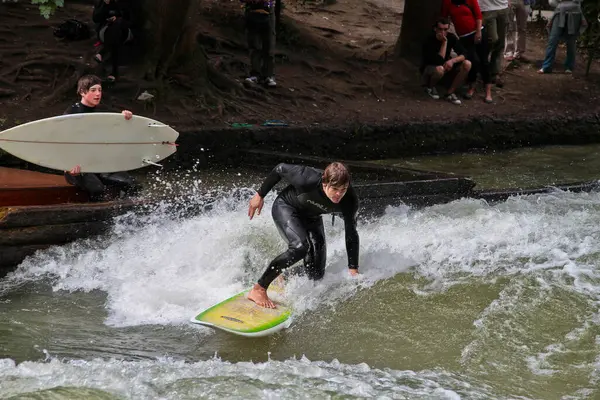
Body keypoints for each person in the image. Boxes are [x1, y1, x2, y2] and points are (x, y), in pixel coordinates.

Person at [247, 162, 360, 308]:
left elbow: (351, 232)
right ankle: (259, 288)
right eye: (335, 189)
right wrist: (260, 195)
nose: (339, 194)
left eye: (343, 189)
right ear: (325, 183)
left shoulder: (349, 200)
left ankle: (284, 276)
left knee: (316, 275)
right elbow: (280, 168)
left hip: (312, 217)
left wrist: (353, 270)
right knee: (300, 247)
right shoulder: (308, 178)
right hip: (286, 207)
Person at [63, 74, 138, 200]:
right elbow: (62, 142)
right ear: (82, 92)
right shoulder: (71, 113)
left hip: (100, 164)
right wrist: (68, 165)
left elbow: (117, 127)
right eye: (93, 90)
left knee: (133, 184)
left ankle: (128, 214)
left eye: (100, 90)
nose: (98, 94)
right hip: (78, 168)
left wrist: (125, 117)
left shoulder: (103, 111)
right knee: (98, 189)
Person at [442, 0, 493, 103]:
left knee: (484, 61)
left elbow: (478, 16)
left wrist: (478, 32)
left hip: (478, 32)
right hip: (464, 37)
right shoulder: (447, 2)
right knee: (472, 61)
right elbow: (444, 18)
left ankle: (488, 91)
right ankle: (471, 87)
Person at [420, 17, 472, 105]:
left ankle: (450, 92)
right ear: (435, 29)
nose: (443, 32)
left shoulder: (451, 37)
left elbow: (464, 53)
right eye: (440, 29)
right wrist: (444, 43)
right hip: (431, 68)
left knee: (467, 64)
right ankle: (430, 88)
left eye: (445, 29)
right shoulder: (429, 39)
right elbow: (439, 61)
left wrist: (452, 61)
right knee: (440, 69)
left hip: (445, 66)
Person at [538, 0, 587, 74]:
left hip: (575, 14)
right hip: (559, 12)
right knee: (553, 39)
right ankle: (546, 67)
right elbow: (551, 2)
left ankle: (569, 67)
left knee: (571, 42)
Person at [92, 0, 134, 83]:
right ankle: (114, 72)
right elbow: (96, 18)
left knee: (116, 28)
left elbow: (131, 21)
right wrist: (105, 5)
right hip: (105, 32)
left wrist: (118, 19)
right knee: (113, 33)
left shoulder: (125, 4)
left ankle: (102, 53)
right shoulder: (103, 2)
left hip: (124, 33)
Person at [240, 0, 277, 87]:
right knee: (254, 44)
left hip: (268, 8)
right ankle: (255, 75)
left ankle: (268, 75)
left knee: (269, 43)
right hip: (252, 9)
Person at [478, 0, 509, 87]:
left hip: (503, 7)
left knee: (500, 44)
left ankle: (494, 73)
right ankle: (483, 67)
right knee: (492, 40)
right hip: (487, 8)